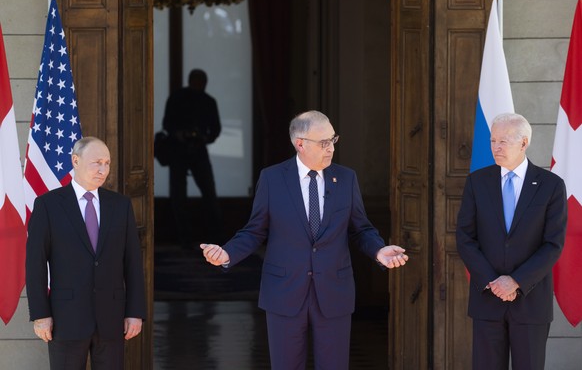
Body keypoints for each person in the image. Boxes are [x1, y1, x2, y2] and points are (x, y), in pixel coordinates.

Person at [200, 110, 409, 370]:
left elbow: (360, 229)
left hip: (333, 290)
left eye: (333, 140)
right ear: (300, 143)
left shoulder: (346, 178)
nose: (330, 148)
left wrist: (379, 250)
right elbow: (255, 230)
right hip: (284, 292)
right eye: (323, 143)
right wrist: (227, 253)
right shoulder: (272, 178)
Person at [456, 113, 567, 370]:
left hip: (530, 302)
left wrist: (516, 281)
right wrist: (493, 283)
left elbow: (553, 244)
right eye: (493, 140)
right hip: (487, 300)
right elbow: (465, 237)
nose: (496, 147)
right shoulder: (477, 182)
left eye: (503, 141)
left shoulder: (551, 185)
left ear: (524, 143)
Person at [26, 136, 146, 370]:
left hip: (111, 319)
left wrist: (135, 312)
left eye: (107, 163)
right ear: (75, 161)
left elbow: (132, 262)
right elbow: (35, 265)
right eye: (96, 163)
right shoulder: (48, 205)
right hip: (66, 319)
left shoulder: (120, 205)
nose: (103, 170)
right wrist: (41, 315)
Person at [163, 68, 223, 248]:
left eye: (201, 82)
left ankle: (214, 234)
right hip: (178, 151)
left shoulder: (208, 102)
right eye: (197, 81)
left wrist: (204, 138)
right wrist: (179, 134)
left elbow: (216, 129)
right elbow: (167, 124)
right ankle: (184, 236)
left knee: (208, 192)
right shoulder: (178, 98)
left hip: (198, 150)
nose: (199, 85)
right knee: (179, 195)